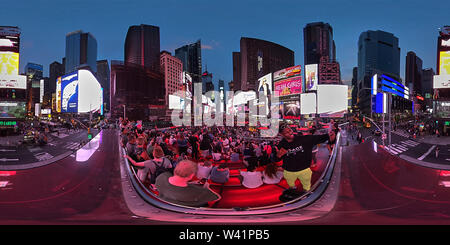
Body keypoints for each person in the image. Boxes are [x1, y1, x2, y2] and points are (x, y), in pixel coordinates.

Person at [275, 122, 335, 193]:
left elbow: (320, 138)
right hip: (289, 171)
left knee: (306, 187)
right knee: (291, 185)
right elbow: (276, 159)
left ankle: (306, 194)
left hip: (304, 170)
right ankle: (292, 189)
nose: (290, 132)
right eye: (286, 132)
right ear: (281, 134)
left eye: (290, 130)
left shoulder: (304, 139)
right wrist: (278, 156)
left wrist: (330, 135)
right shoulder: (281, 145)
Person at [155, 160, 221, 207]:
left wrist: (191, 183)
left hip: (164, 206)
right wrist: (207, 187)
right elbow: (217, 198)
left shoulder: (162, 177)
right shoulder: (200, 192)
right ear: (191, 176)